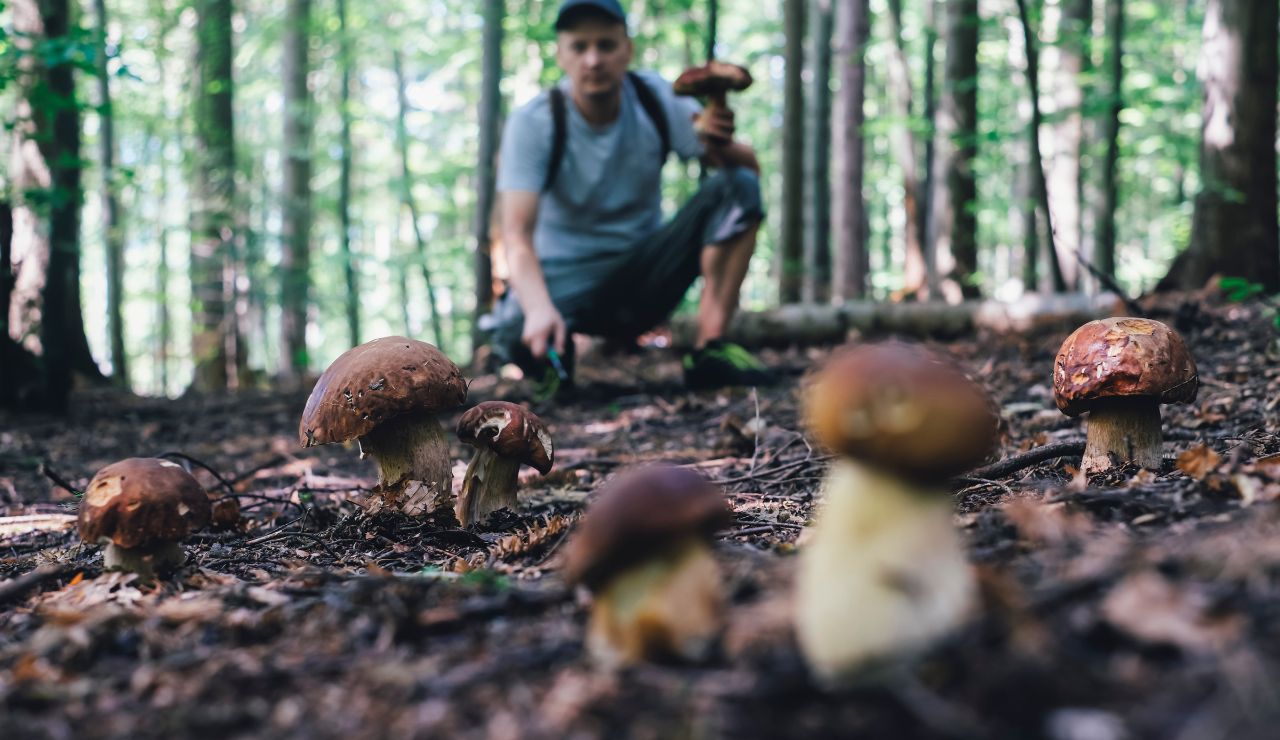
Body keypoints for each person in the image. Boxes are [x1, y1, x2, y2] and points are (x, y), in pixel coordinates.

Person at [490, 0, 772, 395]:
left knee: (737, 185)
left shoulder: (655, 99)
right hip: (562, 281)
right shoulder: (534, 122)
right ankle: (554, 350)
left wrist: (717, 143)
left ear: (628, 50)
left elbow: (748, 175)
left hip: (642, 275)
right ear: (561, 53)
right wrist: (537, 307)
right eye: (579, 46)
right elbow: (517, 236)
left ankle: (711, 348)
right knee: (517, 335)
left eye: (606, 45)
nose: (593, 60)